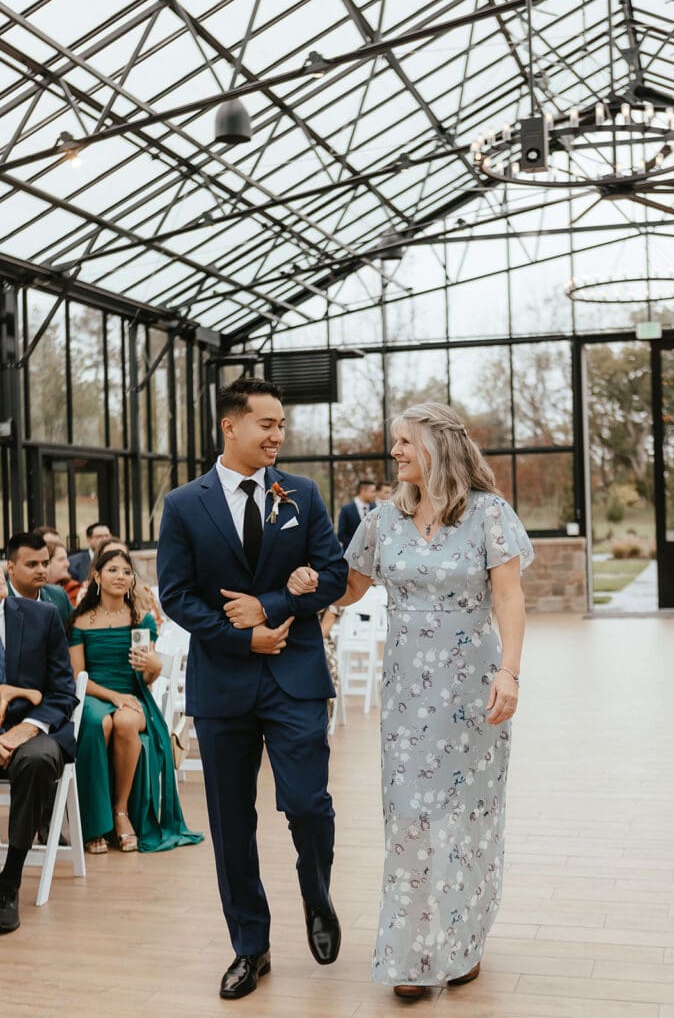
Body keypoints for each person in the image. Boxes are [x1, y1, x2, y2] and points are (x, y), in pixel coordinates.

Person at [288, 402, 533, 1000]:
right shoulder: (380, 520)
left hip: (474, 691)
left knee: (467, 818)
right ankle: (411, 952)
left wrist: (510, 673)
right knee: (410, 816)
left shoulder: (488, 514)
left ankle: (462, 941)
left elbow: (509, 600)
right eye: (393, 442)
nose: (394, 452)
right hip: (407, 697)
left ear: (437, 447)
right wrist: (309, 585)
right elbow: (351, 587)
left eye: (403, 442)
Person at [157, 376, 348, 1000]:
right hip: (224, 684)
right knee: (230, 823)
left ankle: (317, 897)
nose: (278, 435)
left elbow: (334, 574)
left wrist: (266, 608)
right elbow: (178, 594)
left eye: (282, 425)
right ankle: (250, 945)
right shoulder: (184, 504)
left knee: (309, 805)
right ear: (229, 427)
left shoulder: (303, 493)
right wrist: (244, 639)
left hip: (294, 677)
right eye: (267, 424)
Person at [67, 548, 202, 856]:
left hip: (133, 694)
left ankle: (120, 811)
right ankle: (93, 824)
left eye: (126, 572)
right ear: (97, 577)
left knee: (126, 721)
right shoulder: (81, 622)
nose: (121, 576)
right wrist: (112, 696)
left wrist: (152, 666)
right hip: (94, 694)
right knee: (99, 721)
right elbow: (79, 677)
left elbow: (148, 677)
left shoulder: (141, 620)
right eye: (113, 570)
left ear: (132, 580)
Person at [0, 570, 78, 934]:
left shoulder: (41, 616)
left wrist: (26, 728)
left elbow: (63, 691)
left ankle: (9, 882)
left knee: (35, 760)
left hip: (38, 727)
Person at [5, 532, 72, 626]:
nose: (41, 570)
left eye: (45, 564)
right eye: (32, 565)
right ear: (11, 568)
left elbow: (73, 636)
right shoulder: (2, 601)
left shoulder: (58, 596)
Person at [337, 479, 376, 550]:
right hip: (351, 556)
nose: (374, 494)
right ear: (363, 491)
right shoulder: (346, 510)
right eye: (372, 492)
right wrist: (357, 546)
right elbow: (341, 535)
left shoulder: (375, 508)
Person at [46, 541, 82, 607]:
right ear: (46, 563)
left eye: (66, 559)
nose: (68, 564)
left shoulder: (74, 589)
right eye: (61, 559)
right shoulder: (34, 591)